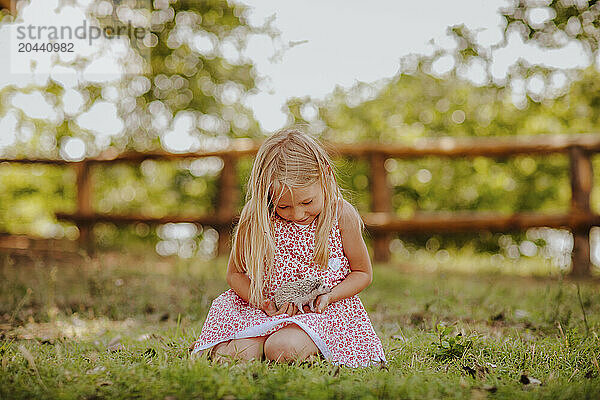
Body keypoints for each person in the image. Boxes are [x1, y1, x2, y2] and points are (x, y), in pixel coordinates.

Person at [190, 128, 386, 367]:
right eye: (284, 207)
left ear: (324, 176)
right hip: (263, 311)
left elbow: (362, 273)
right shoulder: (257, 216)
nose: (298, 214)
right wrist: (260, 300)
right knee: (236, 356)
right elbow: (235, 273)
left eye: (307, 202)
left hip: (322, 315)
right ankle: (234, 345)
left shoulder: (341, 215)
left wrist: (330, 296)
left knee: (282, 348)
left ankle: (306, 349)